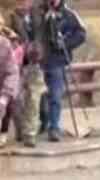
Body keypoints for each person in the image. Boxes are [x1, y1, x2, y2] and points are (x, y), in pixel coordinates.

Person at [41, 0, 85, 142]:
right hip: (37, 61)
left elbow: (81, 34)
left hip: (57, 60)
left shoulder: (69, 15)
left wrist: (65, 44)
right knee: (39, 97)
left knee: (55, 95)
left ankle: (54, 127)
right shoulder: (39, 13)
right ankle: (43, 123)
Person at [7, 0, 47, 147]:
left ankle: (30, 134)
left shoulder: (41, 14)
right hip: (17, 64)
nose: (24, 3)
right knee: (15, 100)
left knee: (33, 98)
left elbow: (47, 35)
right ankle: (21, 129)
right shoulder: (11, 17)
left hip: (36, 63)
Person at [0, 23, 22, 148]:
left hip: (3, 86)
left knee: (7, 106)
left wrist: (4, 97)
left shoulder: (4, 45)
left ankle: (3, 133)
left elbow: (12, 72)